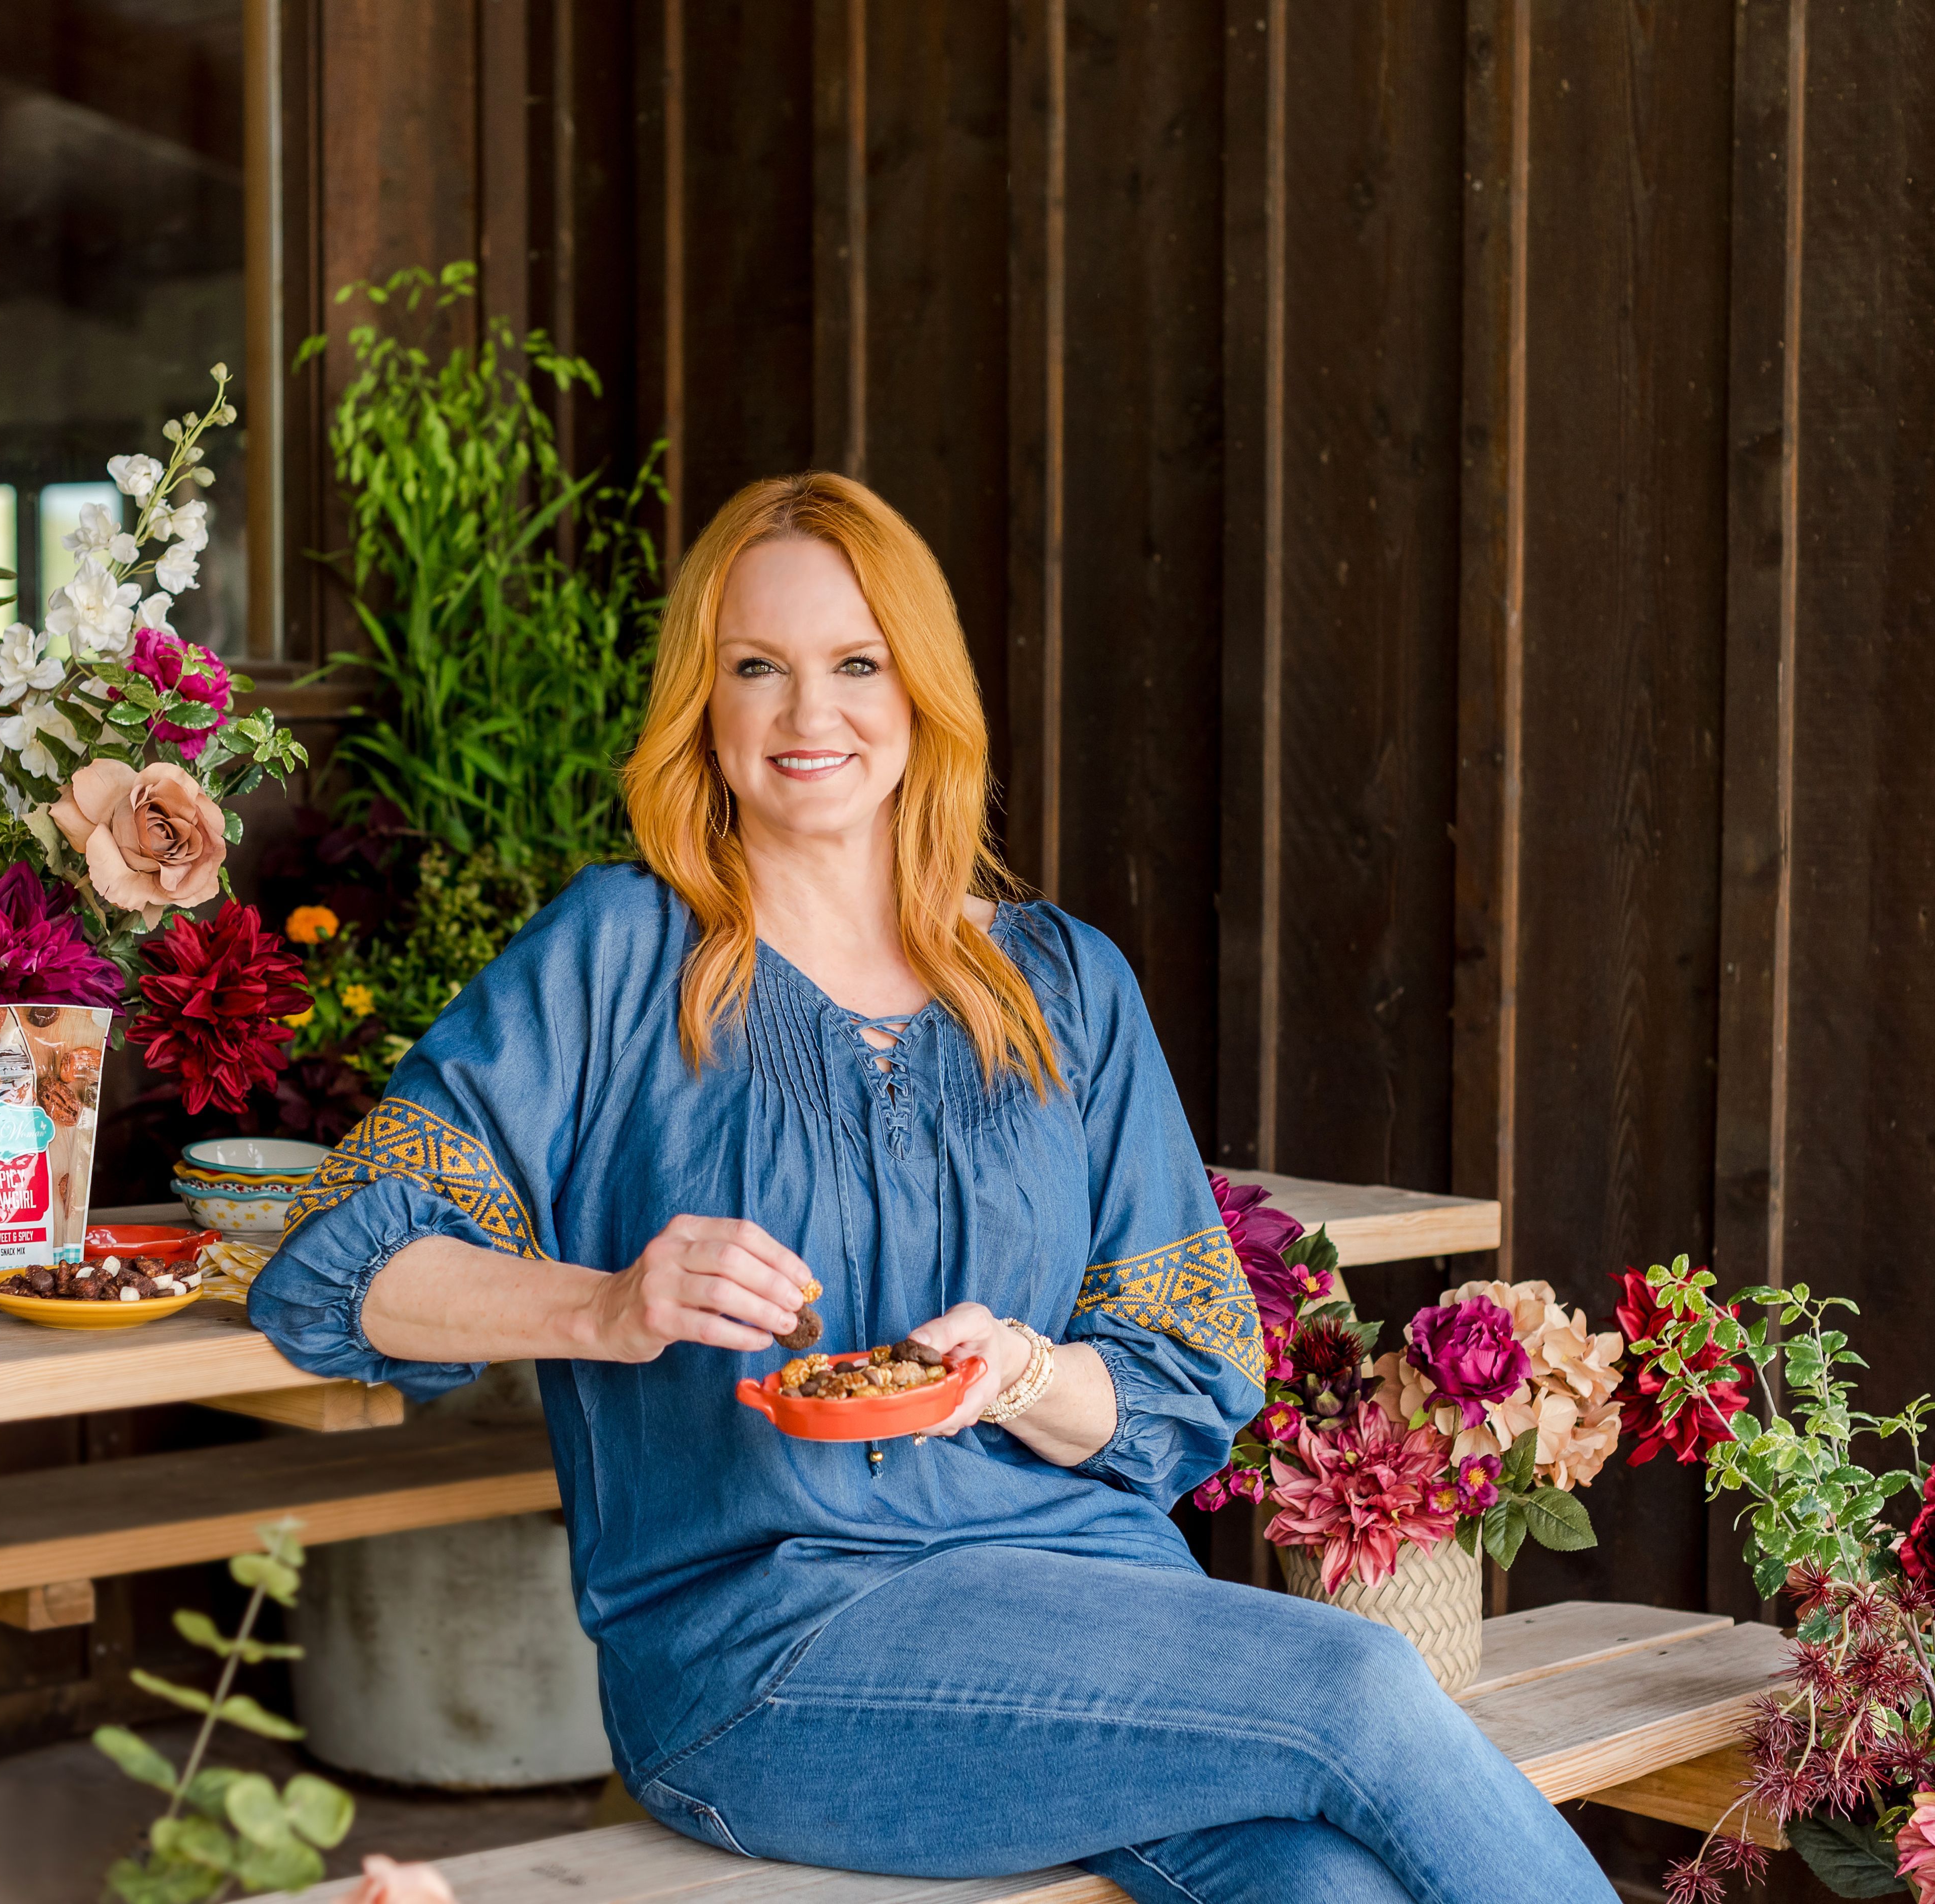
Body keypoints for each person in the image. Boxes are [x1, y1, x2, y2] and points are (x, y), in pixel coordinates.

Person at [251, 474, 1616, 1903]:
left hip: (1098, 1616)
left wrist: (1024, 1374)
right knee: (1355, 1681)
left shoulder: (1058, 983)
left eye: (855, 664)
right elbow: (342, 1266)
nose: (807, 716)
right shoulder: (615, 954)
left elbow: (1185, 1375)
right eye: (755, 669)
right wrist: (609, 1302)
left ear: (921, 691)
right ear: (700, 703)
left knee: (1317, 1889)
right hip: (772, 1655)